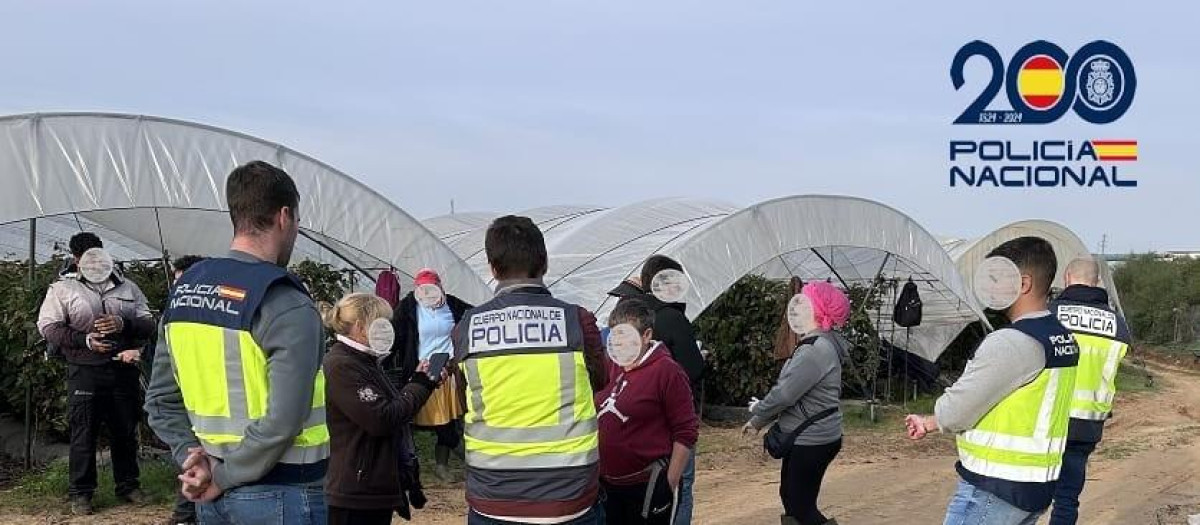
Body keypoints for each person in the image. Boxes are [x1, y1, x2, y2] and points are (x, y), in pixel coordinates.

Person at [145, 160, 329, 524]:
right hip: (282, 494)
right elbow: (283, 419)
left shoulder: (185, 293)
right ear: (284, 216)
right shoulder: (283, 301)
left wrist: (191, 457)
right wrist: (223, 476)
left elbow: (161, 402)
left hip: (211, 494)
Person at [905, 236, 1080, 525]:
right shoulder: (1061, 337)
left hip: (995, 488)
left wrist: (938, 416)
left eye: (998, 278)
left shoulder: (1011, 343)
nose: (990, 288)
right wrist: (929, 422)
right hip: (1033, 485)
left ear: (1023, 284)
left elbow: (957, 409)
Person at [452, 215, 608, 524]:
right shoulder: (578, 321)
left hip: (493, 497)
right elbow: (599, 380)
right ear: (545, 263)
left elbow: (463, 399)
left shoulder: (467, 328)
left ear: (493, 268)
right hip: (569, 495)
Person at [37, 232, 155, 515]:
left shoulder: (128, 287)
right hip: (85, 370)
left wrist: (122, 323)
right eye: (85, 257)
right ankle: (81, 493)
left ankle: (128, 485)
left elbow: (149, 322)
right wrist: (85, 340)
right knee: (84, 432)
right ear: (76, 260)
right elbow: (48, 326)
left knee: (124, 430)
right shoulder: (63, 289)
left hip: (121, 368)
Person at [322, 293, 439, 525]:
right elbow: (382, 418)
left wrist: (418, 380)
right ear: (360, 326)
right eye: (382, 323)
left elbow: (390, 408)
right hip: (355, 491)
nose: (388, 330)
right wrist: (421, 385)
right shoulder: (342, 365)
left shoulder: (365, 361)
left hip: (371, 487)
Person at [745, 281, 851, 525]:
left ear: (818, 311)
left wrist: (758, 417)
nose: (797, 308)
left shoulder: (815, 349)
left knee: (801, 506)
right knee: (793, 499)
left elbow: (785, 395)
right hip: (816, 436)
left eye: (804, 302)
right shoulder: (822, 343)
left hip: (811, 439)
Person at [596, 297, 698, 524]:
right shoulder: (609, 364)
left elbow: (686, 431)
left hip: (648, 486)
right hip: (608, 487)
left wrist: (668, 484)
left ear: (647, 335)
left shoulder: (667, 371)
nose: (620, 346)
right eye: (616, 338)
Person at [1048, 257, 1131, 525]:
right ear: (1097, 282)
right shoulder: (1117, 325)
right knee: (1067, 498)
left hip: (1046, 416)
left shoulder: (1049, 313)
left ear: (1067, 278)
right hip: (1088, 423)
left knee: (1028, 491)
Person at [633, 255, 705, 524]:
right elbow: (694, 368)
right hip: (672, 419)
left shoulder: (637, 318)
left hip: (640, 416)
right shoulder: (672, 317)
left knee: (646, 485)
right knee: (680, 485)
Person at [383, 268, 473, 482]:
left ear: (440, 287)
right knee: (442, 424)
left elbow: (474, 318)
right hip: (425, 372)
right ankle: (472, 462)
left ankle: (442, 467)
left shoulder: (454, 305)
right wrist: (379, 361)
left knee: (450, 422)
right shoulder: (408, 308)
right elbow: (393, 337)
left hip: (451, 372)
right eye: (422, 288)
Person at [142, 254, 204, 525]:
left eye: (184, 281)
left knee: (196, 460)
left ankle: (185, 515)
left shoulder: (219, 319)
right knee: (192, 458)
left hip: (208, 411)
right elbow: (161, 386)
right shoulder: (172, 317)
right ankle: (184, 515)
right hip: (183, 405)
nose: (179, 289)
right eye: (177, 282)